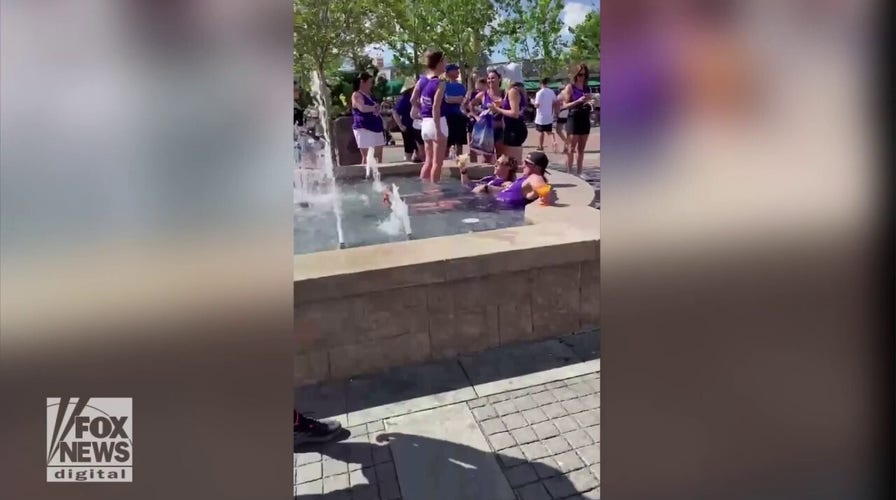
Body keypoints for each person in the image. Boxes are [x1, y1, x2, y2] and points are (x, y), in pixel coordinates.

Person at [417, 50, 449, 183]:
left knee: (428, 162)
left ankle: (423, 188)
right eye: (445, 61)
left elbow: (413, 99)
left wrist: (421, 112)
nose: (446, 63)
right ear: (439, 62)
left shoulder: (422, 80)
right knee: (437, 163)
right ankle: (434, 191)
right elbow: (436, 107)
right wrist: (438, 130)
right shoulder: (440, 83)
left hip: (425, 123)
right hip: (437, 122)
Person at [560, 63, 593, 175]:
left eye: (584, 75)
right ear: (575, 75)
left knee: (581, 149)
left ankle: (579, 172)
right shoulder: (570, 87)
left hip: (585, 117)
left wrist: (591, 102)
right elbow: (564, 106)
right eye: (580, 74)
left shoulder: (587, 88)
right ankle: (569, 173)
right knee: (571, 148)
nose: (582, 77)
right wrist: (578, 101)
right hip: (574, 118)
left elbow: (589, 102)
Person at [468, 69, 505, 163]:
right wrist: (476, 116)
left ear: (499, 79)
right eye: (488, 78)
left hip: (500, 129)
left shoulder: (504, 94)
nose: (490, 80)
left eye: (493, 78)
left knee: (501, 157)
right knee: (486, 159)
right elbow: (470, 105)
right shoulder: (483, 94)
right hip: (486, 131)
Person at [489, 80, 528, 165]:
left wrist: (497, 109)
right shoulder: (515, 91)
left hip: (514, 128)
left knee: (513, 163)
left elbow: (515, 113)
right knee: (511, 162)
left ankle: (516, 173)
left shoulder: (512, 91)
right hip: (513, 128)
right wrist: (502, 104)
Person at [351, 72, 385, 164]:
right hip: (364, 128)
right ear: (362, 82)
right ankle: (366, 172)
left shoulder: (370, 94)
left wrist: (378, 108)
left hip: (376, 127)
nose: (371, 85)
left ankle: (379, 172)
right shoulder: (356, 95)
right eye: (370, 82)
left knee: (378, 154)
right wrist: (374, 108)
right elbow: (362, 108)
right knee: (368, 156)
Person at [392, 78, 424, 162]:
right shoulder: (405, 99)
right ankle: (409, 163)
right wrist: (400, 125)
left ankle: (414, 162)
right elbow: (395, 111)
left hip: (417, 126)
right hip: (408, 127)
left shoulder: (417, 97)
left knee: (418, 149)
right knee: (410, 149)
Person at [443, 63, 468, 161]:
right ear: (448, 72)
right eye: (455, 70)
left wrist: (454, 99)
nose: (457, 72)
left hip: (460, 116)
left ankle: (460, 163)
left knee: (459, 143)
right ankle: (444, 162)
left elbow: (463, 99)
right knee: (447, 143)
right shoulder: (444, 85)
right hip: (448, 117)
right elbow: (446, 99)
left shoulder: (461, 86)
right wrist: (457, 99)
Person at [465, 78, 487, 163]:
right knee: (472, 146)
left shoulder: (488, 94)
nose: (478, 91)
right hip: (473, 121)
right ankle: (473, 164)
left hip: (485, 123)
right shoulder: (471, 94)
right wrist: (472, 114)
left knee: (484, 147)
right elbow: (465, 105)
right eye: (477, 89)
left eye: (480, 89)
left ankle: (486, 163)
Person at [533, 78, 557, 152]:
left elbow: (537, 105)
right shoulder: (551, 92)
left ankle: (540, 146)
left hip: (541, 116)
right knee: (549, 131)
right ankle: (554, 142)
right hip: (549, 115)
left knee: (541, 131)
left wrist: (532, 102)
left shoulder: (539, 93)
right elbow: (555, 102)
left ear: (541, 84)